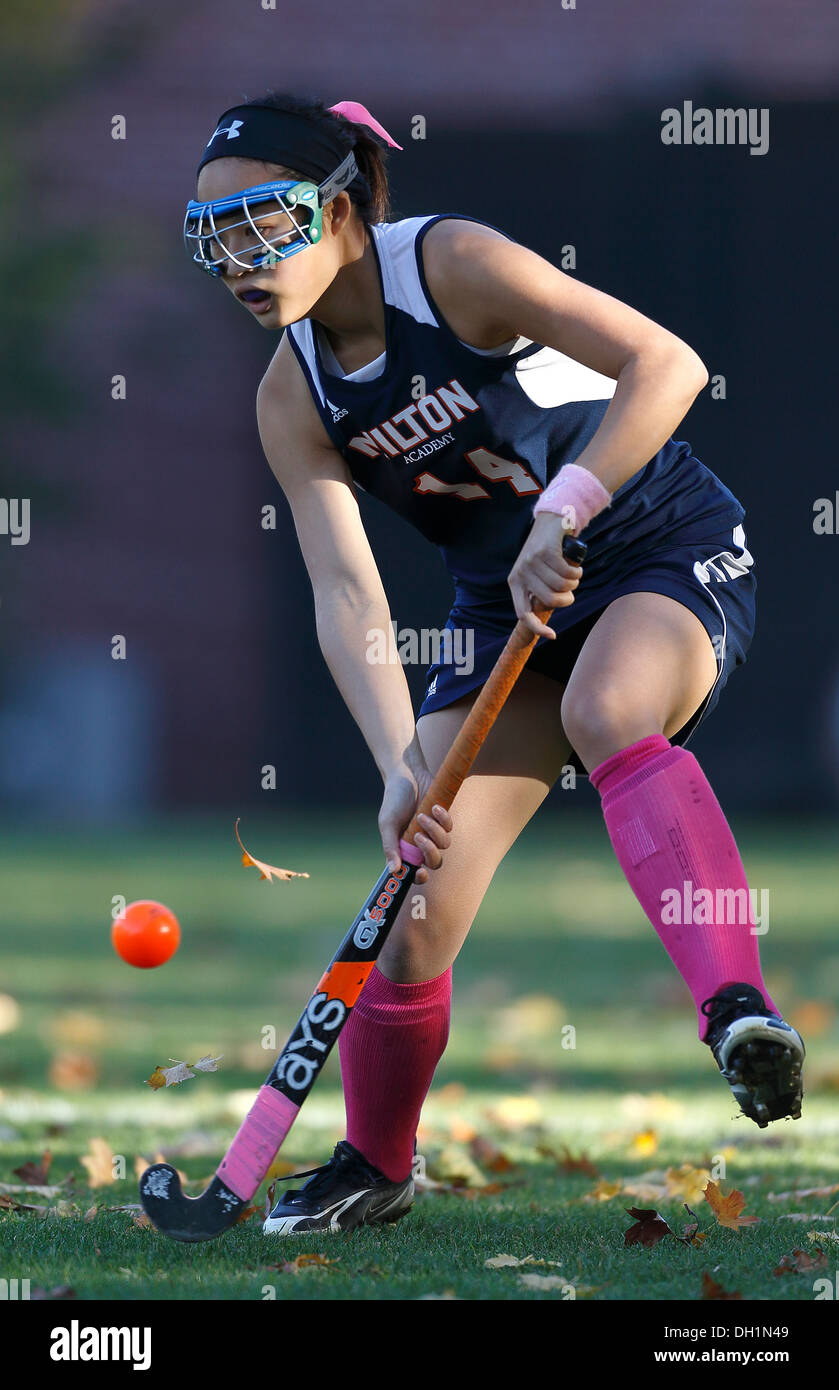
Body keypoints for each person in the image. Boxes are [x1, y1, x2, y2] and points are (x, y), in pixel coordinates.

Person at [185, 91, 805, 1236]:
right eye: (214, 238)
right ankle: (376, 1163)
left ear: (344, 211)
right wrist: (391, 767)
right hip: (500, 605)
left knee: (610, 706)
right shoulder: (291, 392)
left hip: (654, 543)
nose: (239, 262)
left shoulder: (454, 264)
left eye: (262, 225)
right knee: (413, 898)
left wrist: (560, 514)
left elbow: (664, 366)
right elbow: (342, 587)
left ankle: (736, 1012)